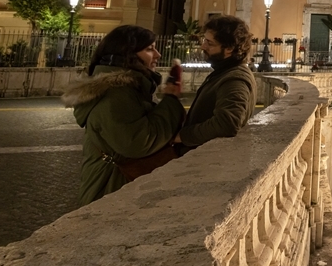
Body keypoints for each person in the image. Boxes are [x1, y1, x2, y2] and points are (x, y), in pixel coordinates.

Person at [63, 25, 185, 205]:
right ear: (127, 54)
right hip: (111, 189)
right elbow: (138, 141)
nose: (158, 55)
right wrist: (171, 100)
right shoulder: (117, 93)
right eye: (149, 49)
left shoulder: (126, 88)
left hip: (116, 186)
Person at [174, 15, 257, 151]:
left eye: (209, 43)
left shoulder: (235, 79)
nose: (203, 46)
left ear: (229, 49)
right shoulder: (225, 72)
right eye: (204, 40)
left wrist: (182, 136)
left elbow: (227, 123)